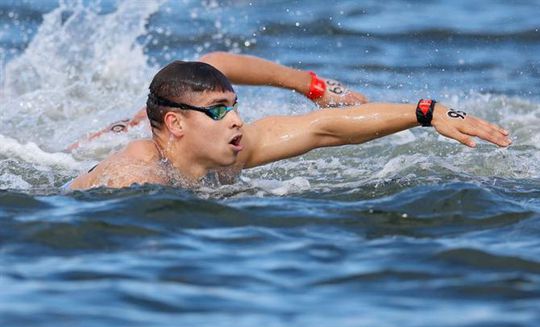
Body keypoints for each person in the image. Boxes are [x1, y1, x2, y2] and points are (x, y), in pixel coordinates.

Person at [66, 59, 511, 191]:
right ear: (176, 124)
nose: (237, 118)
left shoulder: (229, 153)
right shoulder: (136, 176)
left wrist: (426, 112)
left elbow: (324, 129)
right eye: (220, 110)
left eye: (235, 105)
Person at [66, 52, 367, 150]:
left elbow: (211, 63)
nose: (235, 119)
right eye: (219, 111)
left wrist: (312, 86)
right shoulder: (135, 147)